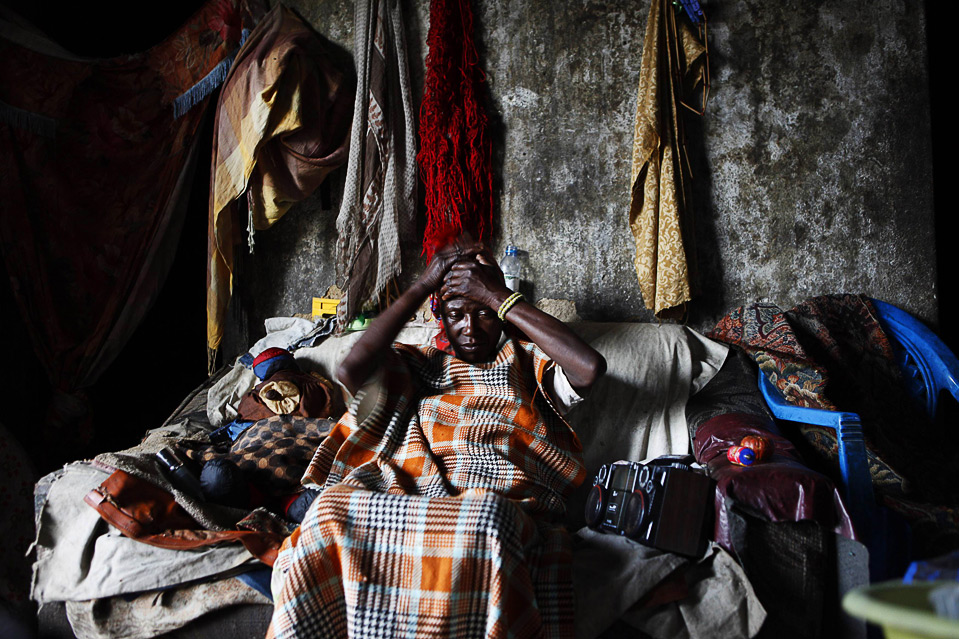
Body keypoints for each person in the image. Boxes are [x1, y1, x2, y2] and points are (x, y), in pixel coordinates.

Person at [268, 236, 606, 639]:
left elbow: (589, 368)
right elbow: (351, 371)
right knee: (328, 509)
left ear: (501, 313)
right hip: (412, 500)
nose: (470, 326)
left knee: (487, 520)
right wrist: (425, 282)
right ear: (440, 315)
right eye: (457, 313)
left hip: (495, 503)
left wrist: (497, 293)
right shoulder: (416, 365)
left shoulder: (528, 364)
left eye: (484, 313)